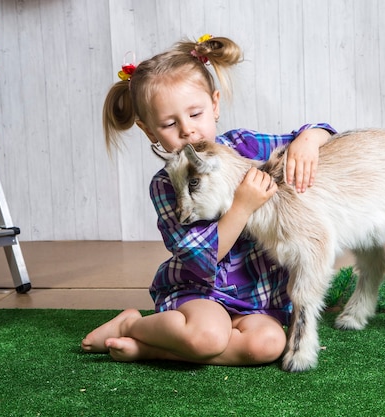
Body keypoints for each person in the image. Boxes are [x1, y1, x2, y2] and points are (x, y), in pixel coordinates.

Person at [81, 34, 336, 366]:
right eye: (170, 123)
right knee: (209, 336)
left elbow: (325, 132)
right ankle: (132, 324)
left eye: (196, 114)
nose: (188, 130)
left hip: (259, 299)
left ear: (214, 105)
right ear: (149, 131)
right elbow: (204, 259)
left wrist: (310, 140)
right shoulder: (165, 186)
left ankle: (149, 349)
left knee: (269, 344)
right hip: (201, 294)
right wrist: (243, 205)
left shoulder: (244, 146)